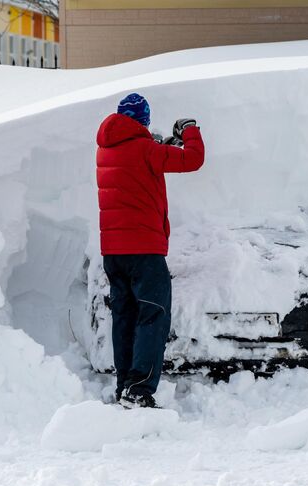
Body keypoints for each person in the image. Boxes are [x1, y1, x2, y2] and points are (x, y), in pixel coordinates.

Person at [96, 93, 205, 408]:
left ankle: (125, 387)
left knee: (125, 319)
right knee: (152, 317)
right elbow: (193, 159)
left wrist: (163, 146)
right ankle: (140, 390)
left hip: (113, 253)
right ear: (143, 121)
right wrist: (190, 131)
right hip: (144, 251)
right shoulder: (146, 150)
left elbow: (143, 162)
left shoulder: (107, 149)